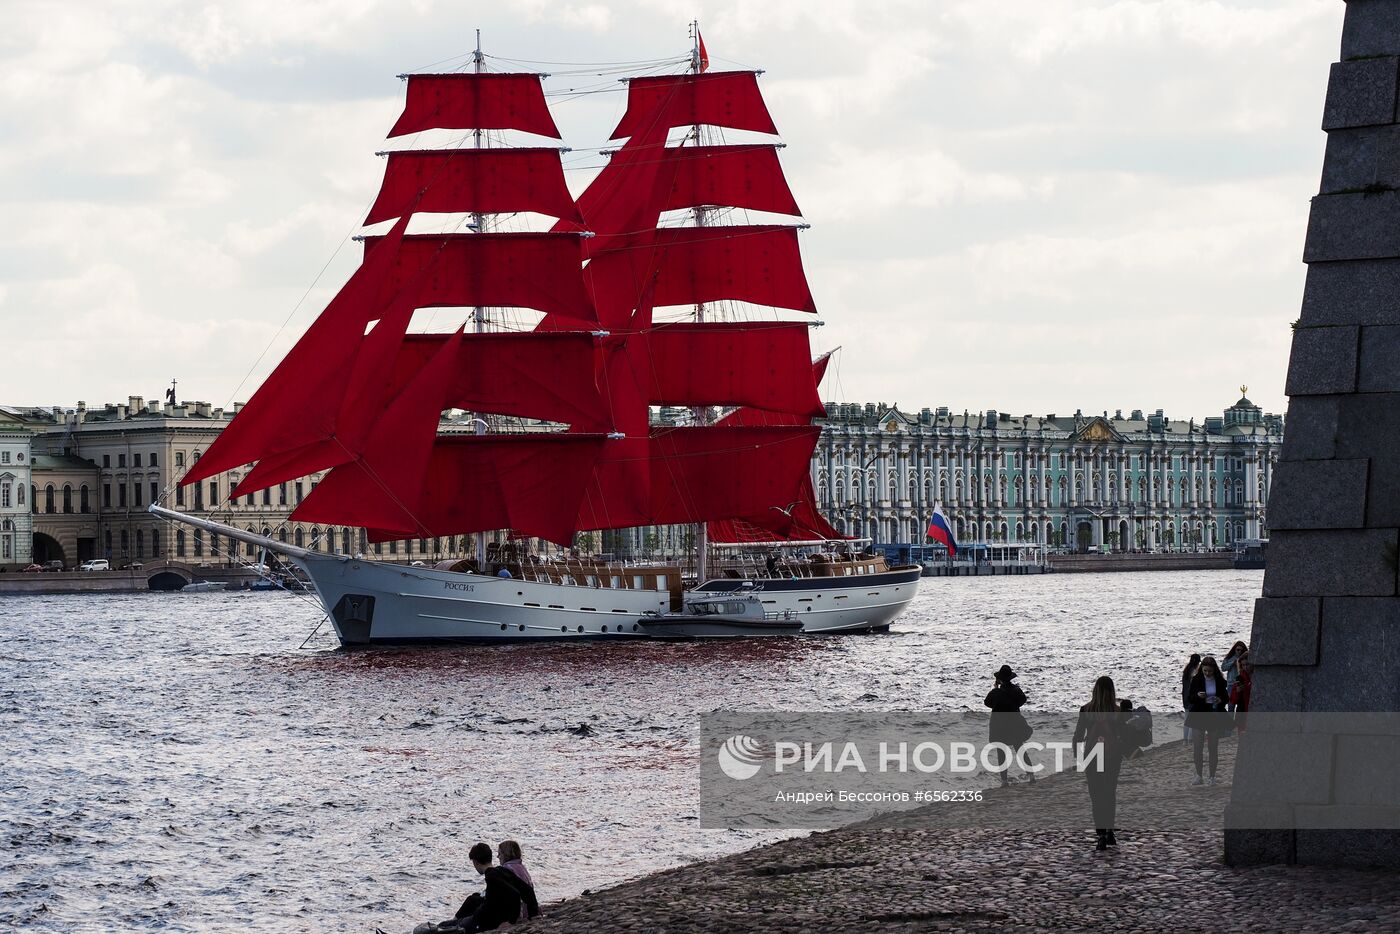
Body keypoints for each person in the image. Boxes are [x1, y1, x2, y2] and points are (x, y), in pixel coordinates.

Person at [1072, 675, 1125, 851]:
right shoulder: (1117, 712)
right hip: (1112, 757)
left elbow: (1078, 737)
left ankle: (1101, 835)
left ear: (1094, 690)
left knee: (1096, 796)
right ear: (1112, 691)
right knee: (1109, 793)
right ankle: (1110, 830)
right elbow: (1124, 737)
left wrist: (1078, 758)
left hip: (1092, 757)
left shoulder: (1086, 710)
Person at [425, 842, 526, 933]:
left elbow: (515, 894)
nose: (498, 856)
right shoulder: (505, 870)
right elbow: (525, 890)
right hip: (490, 916)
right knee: (473, 898)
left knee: (444, 926)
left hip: (483, 921)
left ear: (476, 862)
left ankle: (453, 922)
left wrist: (511, 921)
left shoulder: (493, 875)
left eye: (499, 854)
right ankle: (455, 921)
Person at [984, 664, 1034, 785]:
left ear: (1000, 679)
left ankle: (1004, 780)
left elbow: (987, 703)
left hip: (1000, 726)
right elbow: (1022, 700)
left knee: (1001, 753)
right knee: (1020, 748)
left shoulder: (997, 692)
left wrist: (995, 689)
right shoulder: (1016, 690)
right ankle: (1031, 774)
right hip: (1014, 724)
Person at [1186, 655, 1230, 785]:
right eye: (1205, 671)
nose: (1207, 673)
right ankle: (1199, 775)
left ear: (1214, 670)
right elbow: (1190, 698)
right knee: (1197, 747)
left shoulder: (1220, 681)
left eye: (1210, 671)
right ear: (1202, 669)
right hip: (1198, 715)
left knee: (1213, 747)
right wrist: (1198, 696)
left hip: (1214, 714)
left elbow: (1226, 698)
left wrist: (1220, 699)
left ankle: (1212, 777)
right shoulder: (1196, 680)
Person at [496, 840, 540, 924]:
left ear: (506, 854)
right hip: (531, 907)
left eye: (500, 854)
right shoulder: (521, 867)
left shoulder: (507, 869)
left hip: (521, 911)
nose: (498, 856)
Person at [1221, 641, 1248, 712]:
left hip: (1243, 683)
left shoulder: (1245, 658)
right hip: (1231, 683)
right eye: (1238, 650)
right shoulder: (1229, 658)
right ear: (1234, 649)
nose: (1239, 652)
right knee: (1231, 704)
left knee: (1242, 703)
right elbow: (1223, 668)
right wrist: (1233, 662)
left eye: (1241, 650)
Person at [1180, 653, 1200, 746]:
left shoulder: (1186, 671)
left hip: (1185, 696)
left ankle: (1185, 740)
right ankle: (1190, 739)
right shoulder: (1194, 671)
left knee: (1187, 719)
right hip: (1192, 697)